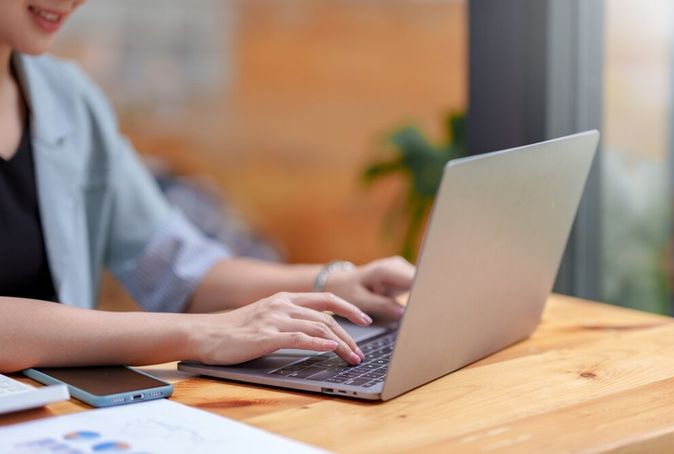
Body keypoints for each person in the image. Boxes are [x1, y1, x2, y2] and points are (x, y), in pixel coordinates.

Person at [0, 1, 415, 373]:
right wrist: (204, 332)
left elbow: (176, 269)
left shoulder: (67, 97)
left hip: (54, 416)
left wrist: (332, 284)